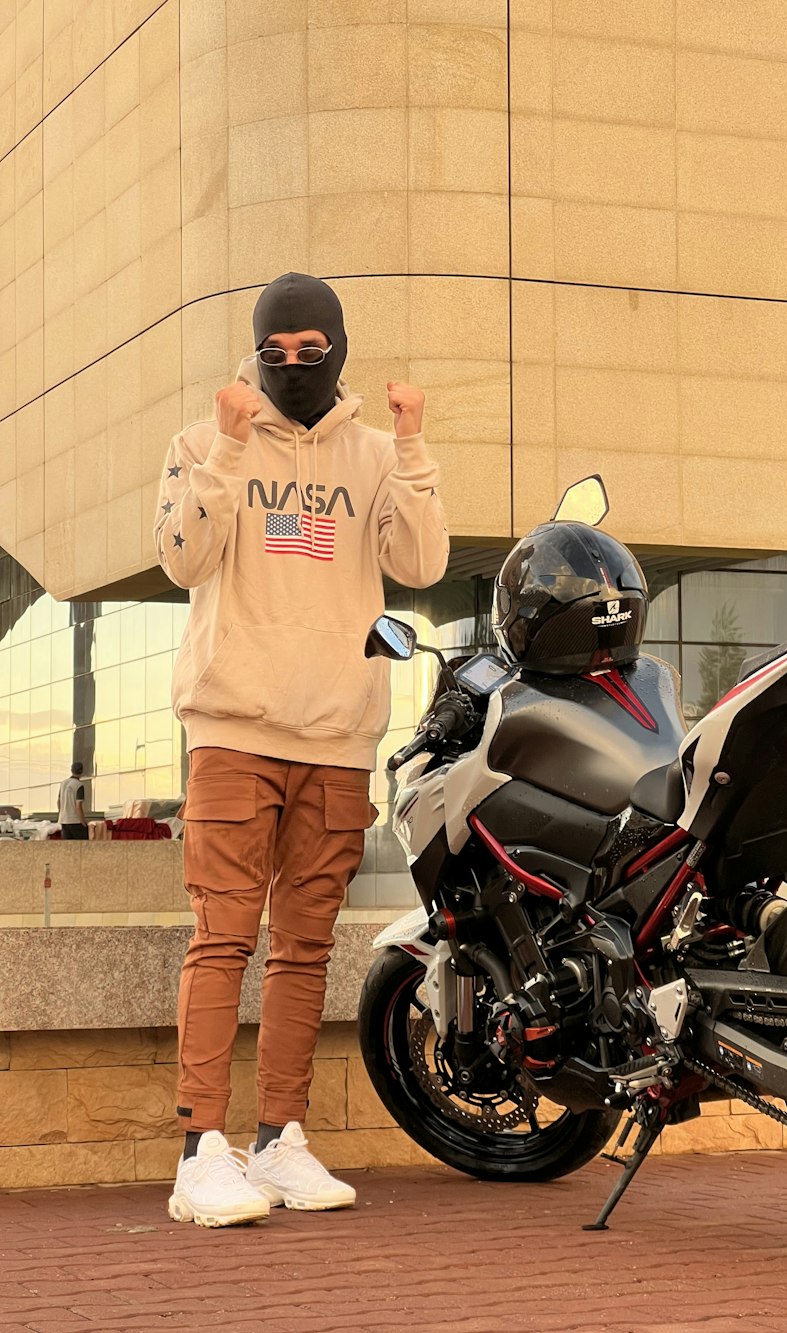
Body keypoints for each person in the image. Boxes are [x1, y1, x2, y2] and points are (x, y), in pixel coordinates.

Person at [152, 272, 449, 1227]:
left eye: (312, 351)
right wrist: (232, 447)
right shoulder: (204, 441)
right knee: (225, 934)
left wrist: (410, 446)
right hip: (235, 727)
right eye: (275, 351)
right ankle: (202, 1148)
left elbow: (423, 564)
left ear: (341, 351)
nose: (292, 366)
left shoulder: (372, 455)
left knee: (306, 946)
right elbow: (184, 559)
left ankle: (280, 1139)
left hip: (336, 733)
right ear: (254, 350)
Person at [57, 762, 87, 840]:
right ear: (81, 771)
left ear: (71, 770)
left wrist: (61, 814)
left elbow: (58, 802)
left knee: (69, 848)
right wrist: (83, 822)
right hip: (75, 821)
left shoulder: (63, 783)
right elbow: (78, 806)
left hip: (64, 821)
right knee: (82, 848)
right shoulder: (79, 785)